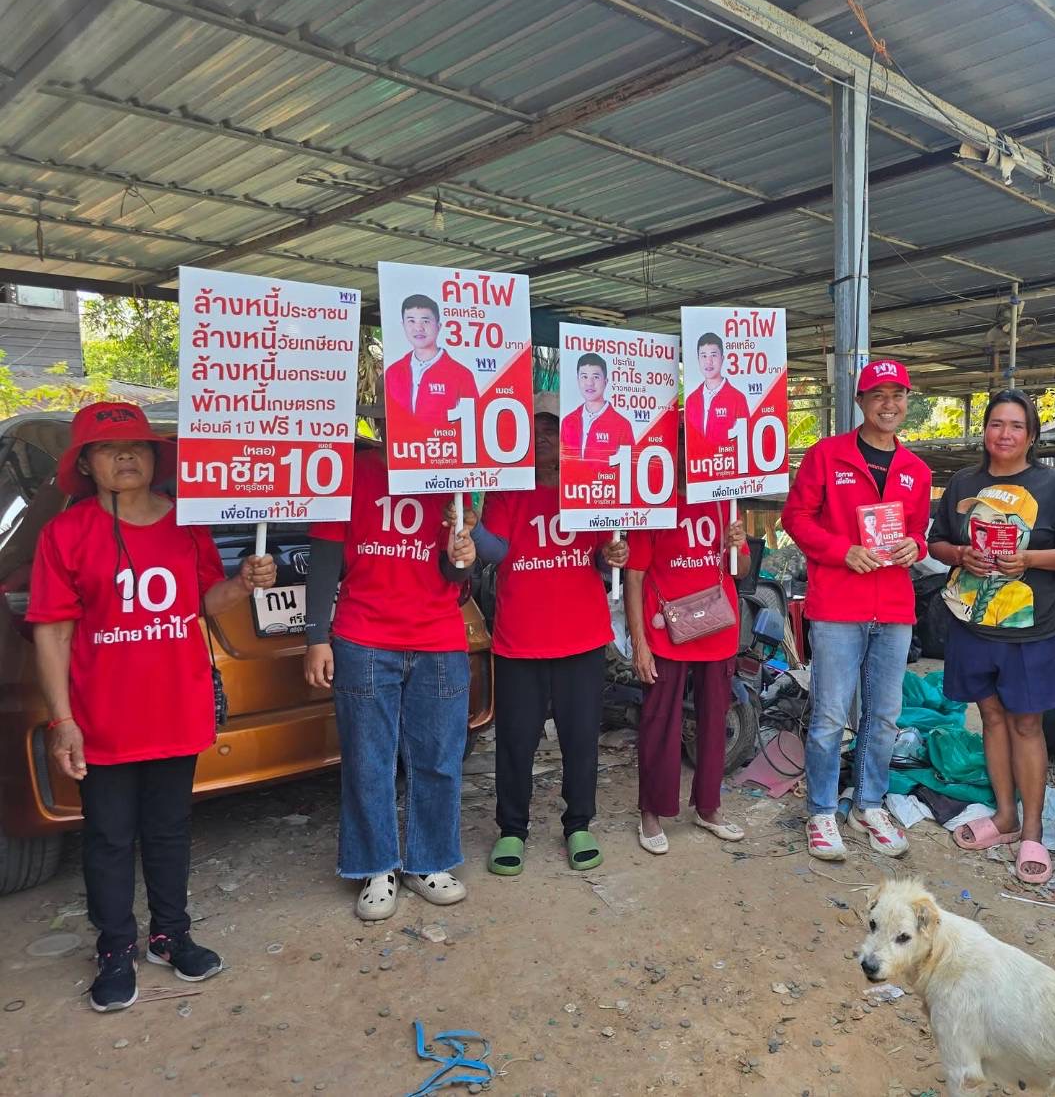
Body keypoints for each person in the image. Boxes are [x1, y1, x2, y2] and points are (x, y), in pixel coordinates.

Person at [29, 401, 276, 1011]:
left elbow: (203, 601)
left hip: (175, 707)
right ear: (86, 464)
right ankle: (115, 947)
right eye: (108, 448)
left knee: (169, 830)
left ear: (154, 457)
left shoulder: (187, 524)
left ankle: (171, 934)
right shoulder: (65, 534)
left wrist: (243, 584)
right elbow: (53, 632)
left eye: (137, 445)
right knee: (109, 836)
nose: (125, 456)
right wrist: (63, 721)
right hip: (102, 718)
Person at [303, 431, 477, 922]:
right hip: (363, 638)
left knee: (439, 759)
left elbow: (455, 572)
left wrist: (463, 553)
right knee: (367, 760)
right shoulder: (348, 470)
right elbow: (324, 556)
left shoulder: (452, 472)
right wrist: (317, 637)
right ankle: (376, 867)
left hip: (438, 639)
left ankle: (430, 862)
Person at [927, 389, 1055, 885]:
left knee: (1026, 724)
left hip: (1032, 628)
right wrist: (961, 555)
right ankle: (1004, 817)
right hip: (973, 623)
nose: (1005, 434)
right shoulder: (964, 482)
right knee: (991, 717)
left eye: (1016, 425)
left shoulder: (1052, 485)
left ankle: (1032, 831)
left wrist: (1030, 559)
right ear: (984, 431)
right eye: (996, 424)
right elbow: (937, 540)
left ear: (1032, 435)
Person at [782, 358, 931, 861]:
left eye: (898, 395)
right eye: (878, 395)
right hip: (839, 605)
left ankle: (868, 803)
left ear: (907, 401)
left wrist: (915, 545)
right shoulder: (828, 456)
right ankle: (822, 810)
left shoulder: (916, 470)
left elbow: (918, 530)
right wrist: (841, 551)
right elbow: (796, 518)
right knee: (829, 715)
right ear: (861, 401)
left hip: (894, 607)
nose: (889, 404)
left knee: (884, 716)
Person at [474, 393, 628, 876]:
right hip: (520, 640)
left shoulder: (592, 485)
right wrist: (468, 528)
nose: (544, 437)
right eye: (536, 428)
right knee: (515, 741)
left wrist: (613, 555)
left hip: (582, 638)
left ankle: (578, 823)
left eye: (553, 428)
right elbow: (494, 552)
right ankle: (511, 829)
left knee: (581, 740)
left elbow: (603, 558)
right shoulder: (507, 489)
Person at [625, 470, 750, 855]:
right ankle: (651, 811)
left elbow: (741, 570)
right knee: (659, 723)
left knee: (714, 722)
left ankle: (709, 807)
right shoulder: (651, 502)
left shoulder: (725, 498)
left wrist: (737, 544)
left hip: (718, 630)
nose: (686, 454)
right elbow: (634, 577)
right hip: (665, 632)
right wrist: (639, 644)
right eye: (679, 445)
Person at [383, 294, 477, 429]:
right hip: (403, 442)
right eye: (411, 321)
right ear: (403, 325)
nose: (418, 328)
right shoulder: (393, 372)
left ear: (438, 326)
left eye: (425, 321)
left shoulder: (461, 374)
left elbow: (474, 422)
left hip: (443, 442)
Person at [560, 352, 634, 463]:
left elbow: (630, 466)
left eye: (596, 377)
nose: (589, 383)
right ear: (578, 380)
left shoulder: (622, 425)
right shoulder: (568, 421)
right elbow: (564, 462)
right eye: (584, 377)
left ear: (605, 382)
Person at [684, 332, 750, 448]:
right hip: (699, 459)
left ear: (722, 358)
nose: (708, 361)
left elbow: (745, 440)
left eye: (713, 355)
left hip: (728, 458)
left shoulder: (737, 398)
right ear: (698, 359)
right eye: (704, 356)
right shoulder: (691, 400)